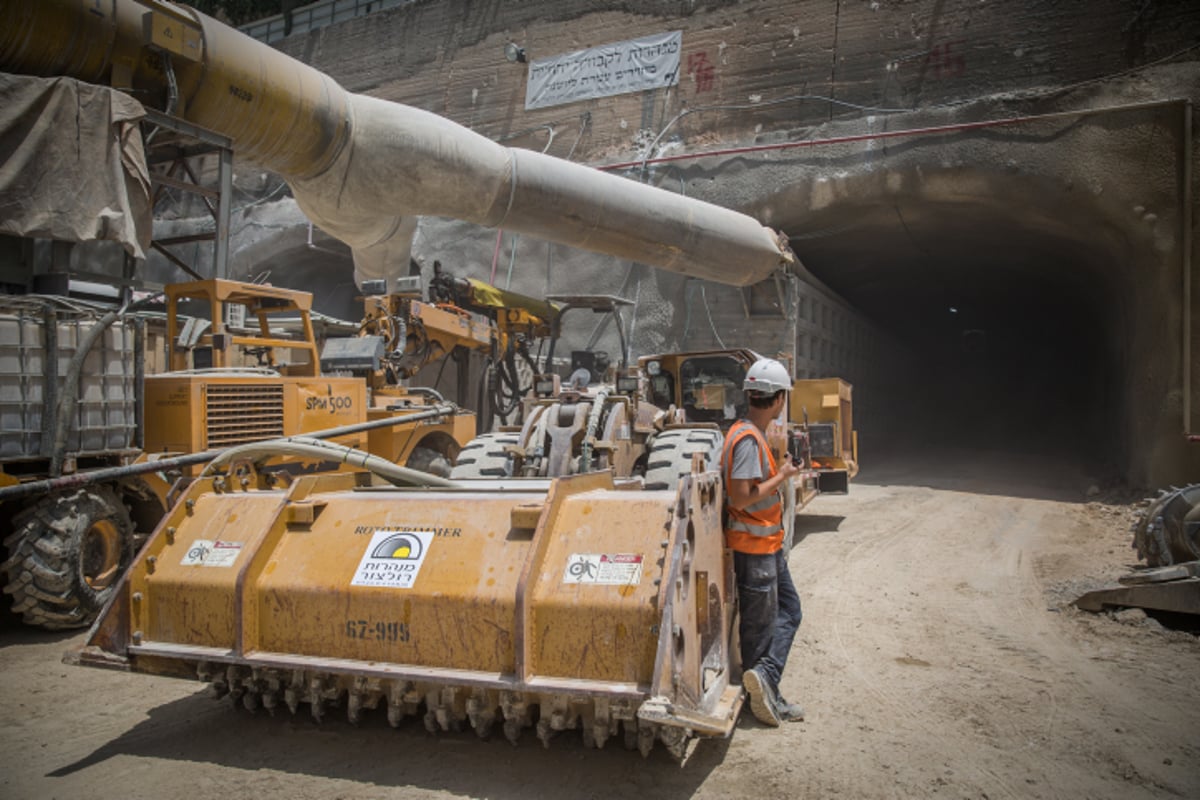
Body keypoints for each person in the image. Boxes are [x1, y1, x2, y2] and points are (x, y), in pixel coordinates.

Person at [721, 357, 805, 726]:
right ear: (778, 399)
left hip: (768, 547)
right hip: (754, 551)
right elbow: (741, 497)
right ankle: (766, 695)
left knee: (790, 611)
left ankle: (765, 676)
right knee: (759, 629)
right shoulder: (746, 440)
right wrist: (784, 473)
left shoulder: (750, 434)